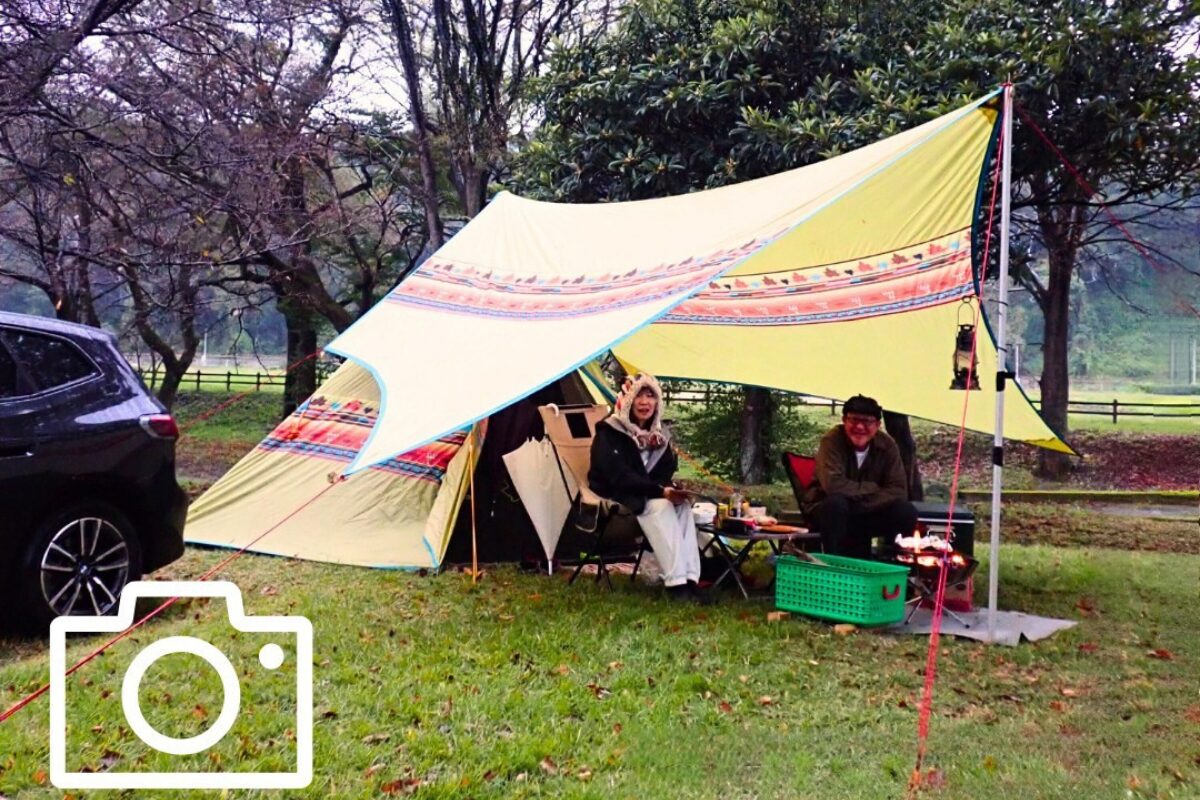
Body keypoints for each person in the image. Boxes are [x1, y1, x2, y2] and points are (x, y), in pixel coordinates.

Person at [588, 373, 706, 601]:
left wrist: (672, 489)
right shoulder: (610, 433)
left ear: (657, 402)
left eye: (650, 396)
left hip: (647, 492)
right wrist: (660, 491)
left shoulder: (658, 437)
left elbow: (664, 472)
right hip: (618, 496)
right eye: (639, 396)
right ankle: (676, 585)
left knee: (682, 508)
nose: (645, 402)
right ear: (628, 401)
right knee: (661, 507)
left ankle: (692, 580)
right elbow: (618, 477)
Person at [801, 394, 917, 559]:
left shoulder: (888, 446)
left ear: (877, 425)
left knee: (905, 510)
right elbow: (833, 486)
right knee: (836, 504)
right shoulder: (831, 441)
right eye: (854, 420)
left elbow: (898, 490)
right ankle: (833, 566)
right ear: (844, 420)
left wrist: (860, 502)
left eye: (867, 422)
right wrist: (872, 488)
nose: (860, 427)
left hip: (867, 513)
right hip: (829, 512)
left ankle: (893, 566)